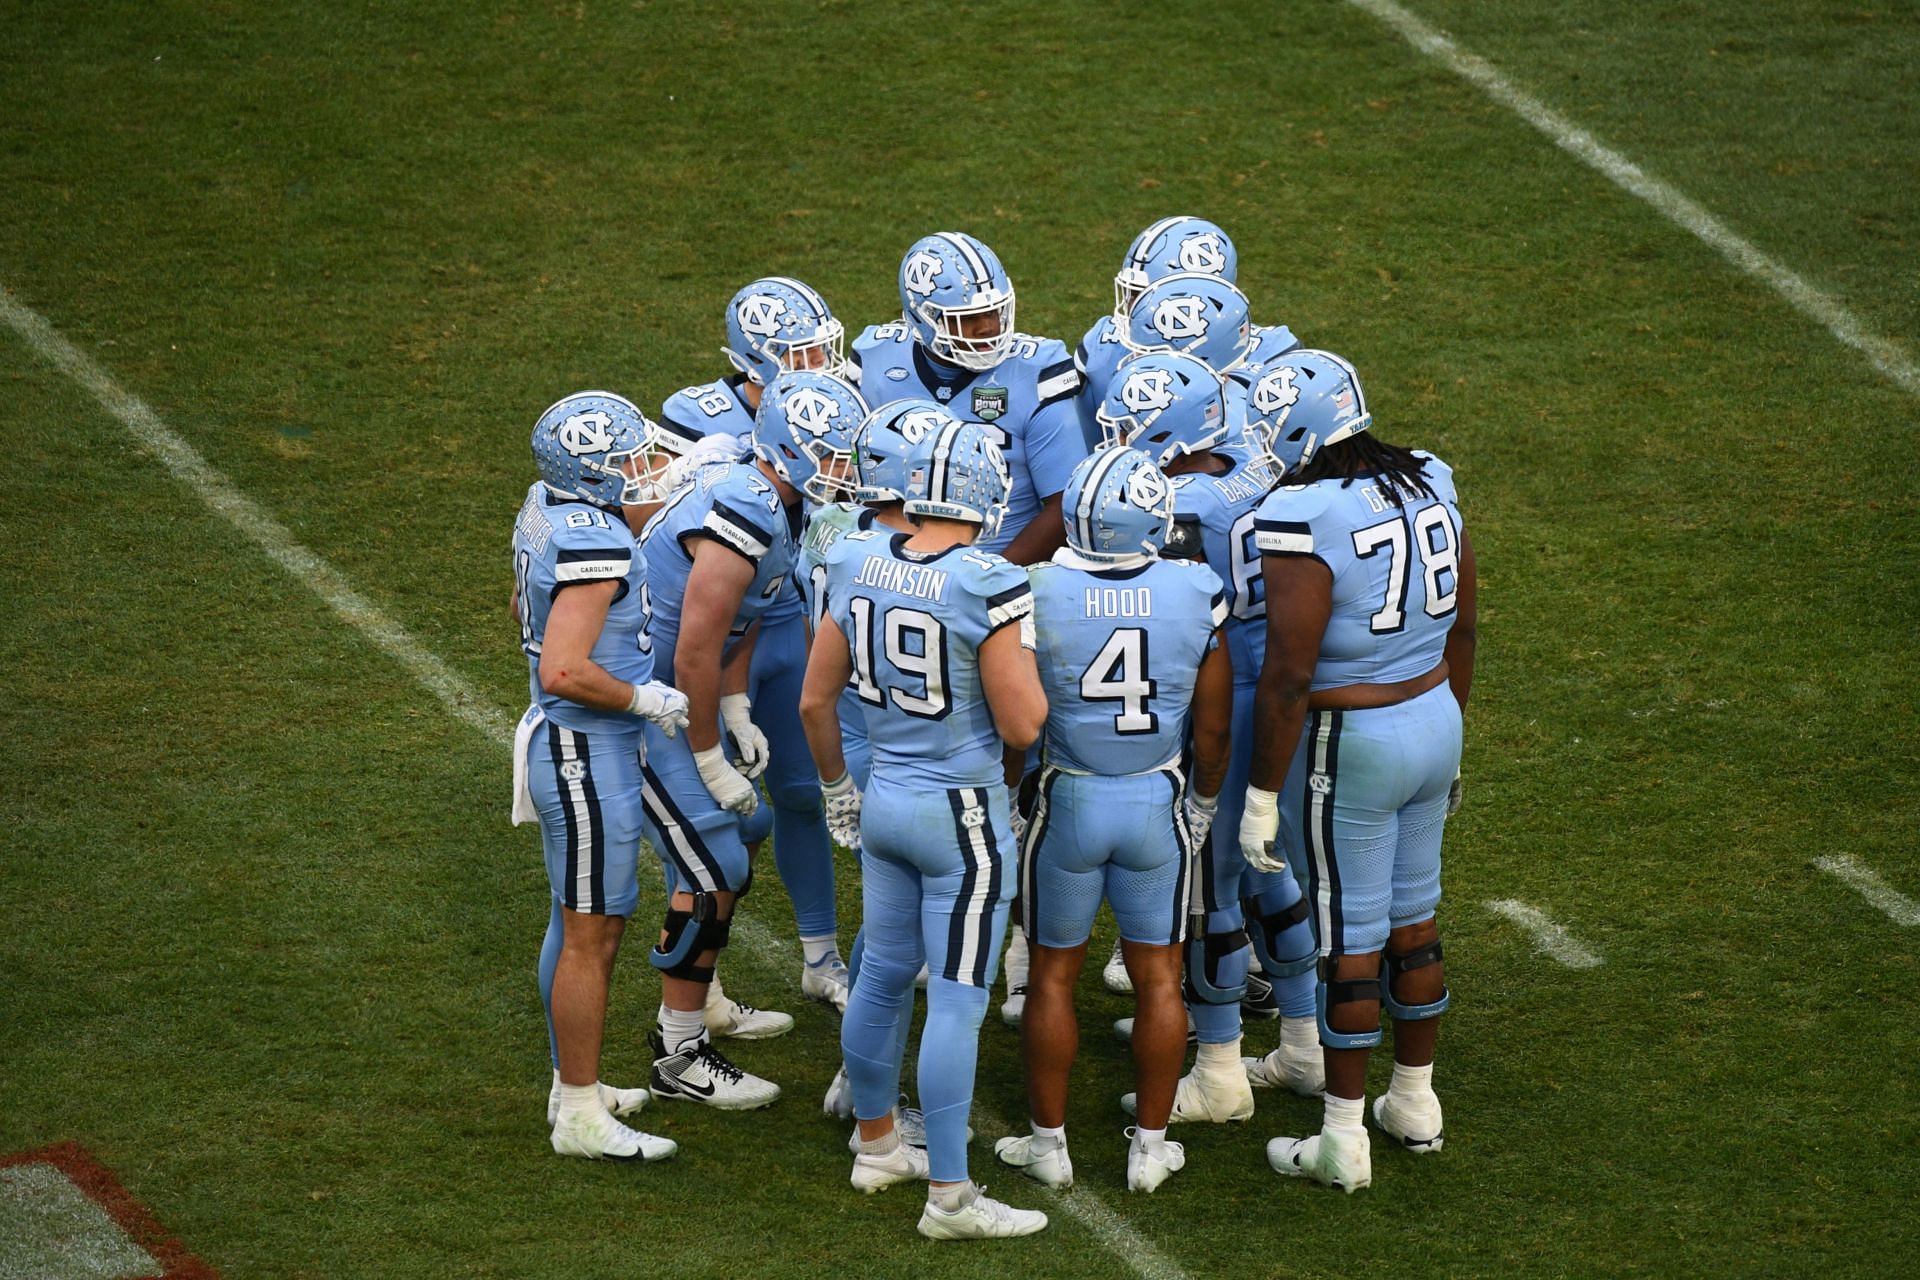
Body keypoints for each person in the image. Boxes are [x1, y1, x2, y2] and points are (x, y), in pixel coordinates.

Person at [799, 420, 1051, 1239]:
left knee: (880, 976)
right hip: (961, 814)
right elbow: (1021, 725)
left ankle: (876, 1145)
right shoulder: (989, 581)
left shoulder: (851, 556)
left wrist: (840, 788)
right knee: (956, 999)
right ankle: (950, 1196)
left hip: (885, 806)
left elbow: (813, 699)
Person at [1237, 349, 1477, 1194]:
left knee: (1350, 944)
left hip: (1356, 735)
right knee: (1416, 920)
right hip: (1434, 712)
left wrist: (1261, 794)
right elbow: (1465, 630)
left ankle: (1342, 1136)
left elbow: (1290, 673)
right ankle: (1415, 1101)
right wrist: (1453, 733)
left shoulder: (1302, 511)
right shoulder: (1430, 478)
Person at [993, 445, 1233, 1194]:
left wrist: (1007, 794)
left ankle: (1048, 1145)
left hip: (1068, 797)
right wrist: (1203, 801)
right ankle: (1150, 1148)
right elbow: (1215, 729)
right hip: (1154, 801)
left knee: (1053, 976)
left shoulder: (1035, 587)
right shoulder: (1195, 588)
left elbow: (1015, 722)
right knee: (1160, 976)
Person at [1097, 352, 1327, 1122]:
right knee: (1268, 870)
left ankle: (1221, 1069)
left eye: (1131, 424)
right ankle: (1304, 1043)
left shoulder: (1179, 505)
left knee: (1212, 884)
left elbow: (1170, 614)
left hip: (1225, 688)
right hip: (1282, 683)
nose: (1120, 437)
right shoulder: (1257, 467)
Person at [633, 369, 862, 1107]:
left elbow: (746, 613)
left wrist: (734, 706)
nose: (842, 470)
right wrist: (707, 751)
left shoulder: (779, 501)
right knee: (717, 865)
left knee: (751, 824)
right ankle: (678, 1054)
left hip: (682, 689)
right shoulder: (744, 506)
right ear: (788, 452)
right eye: (828, 456)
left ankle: (702, 1006)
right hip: (646, 695)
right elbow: (695, 644)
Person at [652, 279, 857, 1008]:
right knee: (713, 820)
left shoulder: (834, 407)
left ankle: (820, 956)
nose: (820, 362)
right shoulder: (694, 419)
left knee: (801, 792)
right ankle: (698, 994)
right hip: (714, 625)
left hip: (782, 617)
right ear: (751, 362)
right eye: (800, 351)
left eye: (821, 346)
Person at [511, 390, 692, 1162]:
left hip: (568, 744)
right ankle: (581, 1113)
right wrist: (640, 695)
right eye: (626, 462)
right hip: (587, 751)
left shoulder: (545, 506)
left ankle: (569, 1084)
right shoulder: (600, 545)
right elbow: (562, 667)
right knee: (593, 933)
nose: (644, 471)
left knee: (575, 920)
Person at [805, 399, 955, 1138]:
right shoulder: (908, 556)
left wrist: (834, 781)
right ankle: (870, 1087)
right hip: (900, 741)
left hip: (855, 728)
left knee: (887, 929)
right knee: (899, 939)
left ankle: (859, 1077)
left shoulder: (834, 531)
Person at [1074, 218, 1300, 448]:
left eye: (1143, 297)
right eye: (1132, 293)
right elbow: (1085, 452)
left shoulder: (1276, 359)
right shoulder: (1102, 347)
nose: (1132, 308)